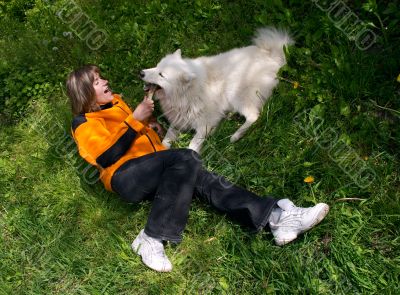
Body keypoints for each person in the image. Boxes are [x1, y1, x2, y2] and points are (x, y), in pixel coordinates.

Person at [66, 64, 329, 272]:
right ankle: (151, 237)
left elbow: (133, 133)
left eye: (102, 77)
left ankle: (276, 218)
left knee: (204, 179)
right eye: (97, 81)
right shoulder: (83, 122)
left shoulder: (117, 102)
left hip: (156, 167)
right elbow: (106, 155)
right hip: (126, 178)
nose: (105, 82)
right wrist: (136, 121)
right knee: (186, 158)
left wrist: (150, 125)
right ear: (85, 94)